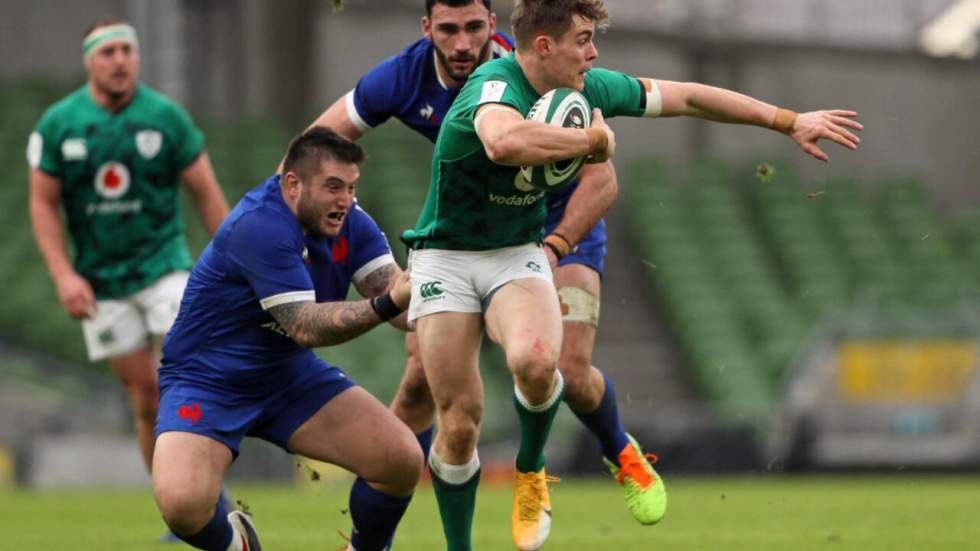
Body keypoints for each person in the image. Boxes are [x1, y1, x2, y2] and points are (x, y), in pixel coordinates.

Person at [403, 0, 864, 549]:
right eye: (583, 40)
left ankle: (531, 471)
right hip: (446, 256)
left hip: (515, 250)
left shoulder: (590, 88)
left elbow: (688, 96)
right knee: (458, 422)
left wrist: (788, 121)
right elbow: (503, 142)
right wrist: (593, 142)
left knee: (537, 360)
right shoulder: (495, 86)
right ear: (545, 46)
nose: (593, 53)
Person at [305, 0, 640, 538]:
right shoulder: (403, 77)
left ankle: (619, 453)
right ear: (427, 29)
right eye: (448, 29)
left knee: (565, 371)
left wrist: (554, 247)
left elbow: (602, 182)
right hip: (468, 237)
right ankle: (371, 536)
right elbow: (316, 146)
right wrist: (274, 212)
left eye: (473, 28)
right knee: (424, 389)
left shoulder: (538, 64)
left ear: (493, 25)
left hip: (555, 230)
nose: (461, 44)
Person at [151, 127, 423, 551]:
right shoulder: (258, 225)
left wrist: (445, 295)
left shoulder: (353, 222)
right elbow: (305, 325)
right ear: (292, 184)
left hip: (287, 374)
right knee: (182, 505)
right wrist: (390, 302)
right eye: (333, 187)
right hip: (208, 380)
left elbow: (397, 299)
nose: (345, 201)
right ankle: (236, 547)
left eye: (351, 188)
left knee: (400, 460)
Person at [26, 17, 231, 541]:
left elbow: (205, 193)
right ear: (88, 60)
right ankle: (177, 507)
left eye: (127, 50)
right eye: (108, 52)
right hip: (102, 283)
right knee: (143, 397)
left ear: (137, 57)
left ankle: (208, 495)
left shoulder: (166, 118)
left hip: (165, 268)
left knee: (181, 376)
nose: (119, 60)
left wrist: (235, 261)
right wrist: (63, 275)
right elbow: (43, 204)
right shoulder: (58, 124)